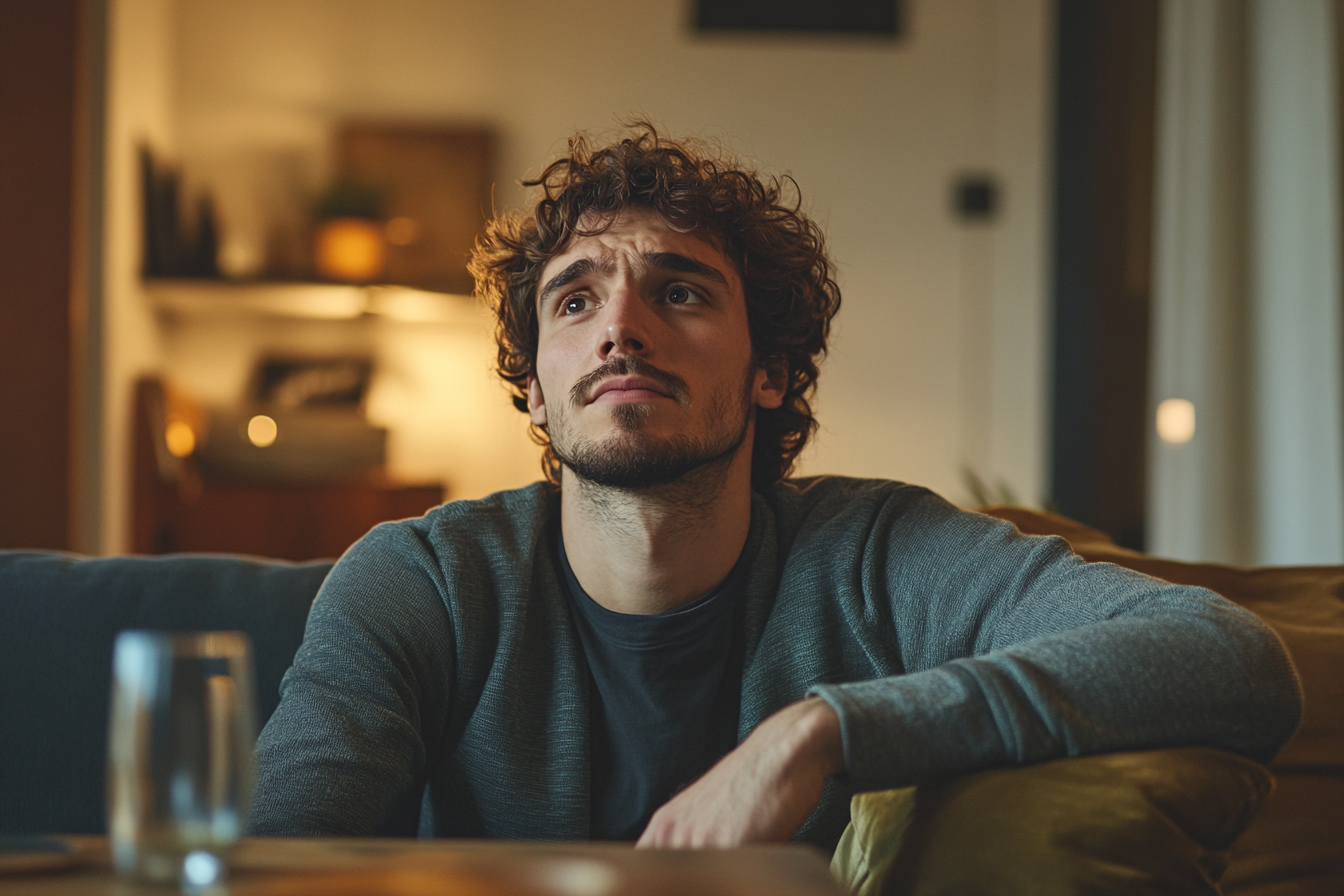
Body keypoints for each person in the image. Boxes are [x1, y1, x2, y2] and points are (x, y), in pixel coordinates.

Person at [251, 124, 1302, 851]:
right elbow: (274, 856)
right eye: (576, 299)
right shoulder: (420, 580)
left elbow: (1230, 658)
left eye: (680, 290)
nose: (623, 324)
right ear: (534, 390)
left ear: (769, 373)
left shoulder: (878, 553)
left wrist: (825, 731)